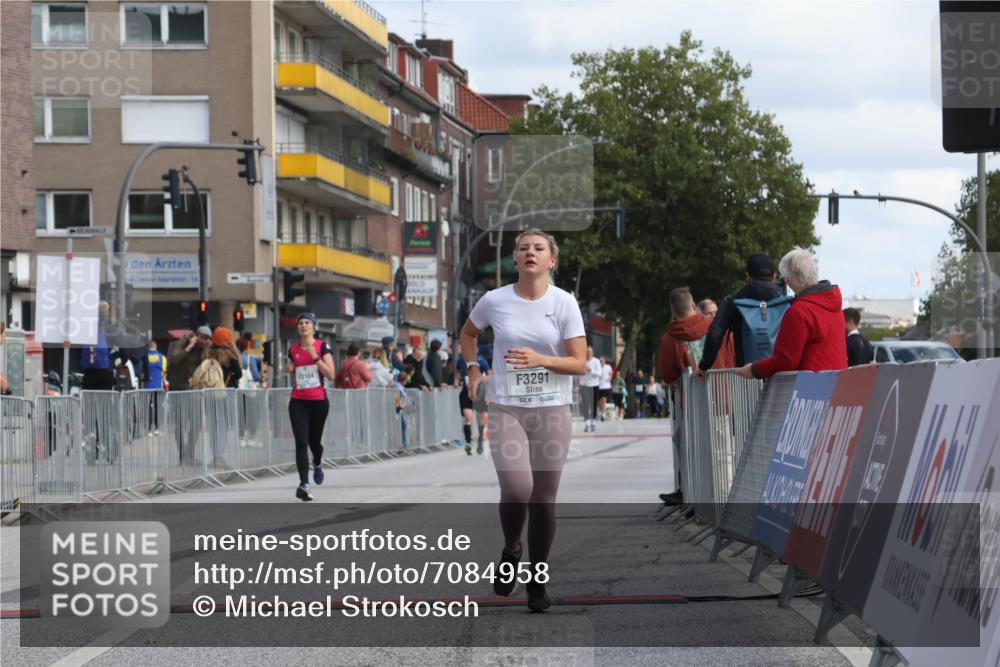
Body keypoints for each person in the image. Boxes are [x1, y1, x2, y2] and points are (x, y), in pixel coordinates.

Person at [461, 228, 586, 613]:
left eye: (539, 248)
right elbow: (469, 333)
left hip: (551, 408)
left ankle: (537, 579)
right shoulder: (494, 300)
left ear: (552, 260)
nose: (530, 252)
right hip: (507, 407)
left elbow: (578, 362)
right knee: (517, 489)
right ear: (515, 259)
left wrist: (542, 359)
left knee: (543, 500)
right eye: (523, 248)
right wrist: (473, 369)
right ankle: (512, 548)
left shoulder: (564, 303)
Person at [738, 248, 848, 379]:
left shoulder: (799, 311)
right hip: (837, 385)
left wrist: (754, 369)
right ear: (816, 270)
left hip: (810, 390)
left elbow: (786, 360)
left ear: (788, 280)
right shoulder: (835, 305)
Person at [699, 254, 782, 372]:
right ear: (774, 276)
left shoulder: (732, 302)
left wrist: (704, 366)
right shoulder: (786, 303)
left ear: (748, 276)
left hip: (746, 377)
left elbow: (714, 336)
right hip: (781, 375)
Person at [285, 313, 336, 501]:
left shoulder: (322, 347)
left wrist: (316, 358)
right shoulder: (293, 349)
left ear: (313, 327)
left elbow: (331, 375)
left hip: (318, 402)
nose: (303, 325)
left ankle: (317, 462)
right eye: (300, 323)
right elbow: (293, 367)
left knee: (315, 443)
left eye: (307, 323)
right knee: (301, 442)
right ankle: (304, 484)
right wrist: (289, 368)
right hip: (298, 401)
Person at [457, 350, 490, 455]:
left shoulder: (481, 360)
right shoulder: (461, 359)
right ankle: (468, 444)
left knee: (480, 420)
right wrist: (456, 379)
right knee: (468, 418)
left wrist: (483, 380)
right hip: (466, 393)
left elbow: (490, 374)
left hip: (480, 393)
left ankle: (480, 440)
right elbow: (457, 371)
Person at [80, 301, 115, 390]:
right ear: (105, 312)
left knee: (88, 398)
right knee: (104, 399)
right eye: (108, 310)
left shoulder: (87, 325)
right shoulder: (109, 327)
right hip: (105, 368)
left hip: (89, 369)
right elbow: (122, 349)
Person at [141, 340, 167, 434]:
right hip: (158, 386)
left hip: (147, 386)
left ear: (148, 347)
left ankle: (148, 430)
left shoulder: (144, 356)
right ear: (156, 347)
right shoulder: (162, 357)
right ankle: (156, 428)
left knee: (147, 407)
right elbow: (164, 372)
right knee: (157, 406)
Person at [579, 346, 601, 432]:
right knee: (585, 404)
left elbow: (599, 373)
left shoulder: (596, 361)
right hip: (584, 385)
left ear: (592, 352)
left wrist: (590, 370)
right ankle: (587, 423)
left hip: (594, 385)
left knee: (593, 405)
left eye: (590, 352)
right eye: (587, 352)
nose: (588, 353)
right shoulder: (583, 361)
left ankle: (593, 422)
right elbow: (579, 373)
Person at [597, 356, 612, 421]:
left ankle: (603, 414)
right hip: (598, 386)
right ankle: (600, 412)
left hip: (606, 386)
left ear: (605, 361)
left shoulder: (608, 367)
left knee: (604, 400)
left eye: (602, 361)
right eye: (600, 361)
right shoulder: (597, 368)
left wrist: (610, 378)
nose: (601, 362)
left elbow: (611, 373)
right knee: (599, 402)